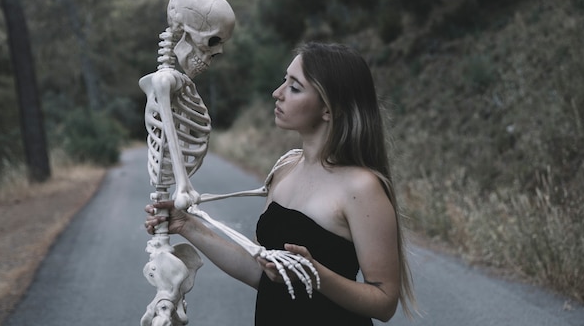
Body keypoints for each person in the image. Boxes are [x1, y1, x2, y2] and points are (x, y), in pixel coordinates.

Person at [144, 41, 415, 325]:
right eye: (284, 80)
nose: (278, 93)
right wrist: (186, 225)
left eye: (294, 87)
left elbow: (384, 302)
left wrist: (316, 276)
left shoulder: (362, 187)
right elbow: (261, 272)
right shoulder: (286, 168)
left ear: (329, 109)